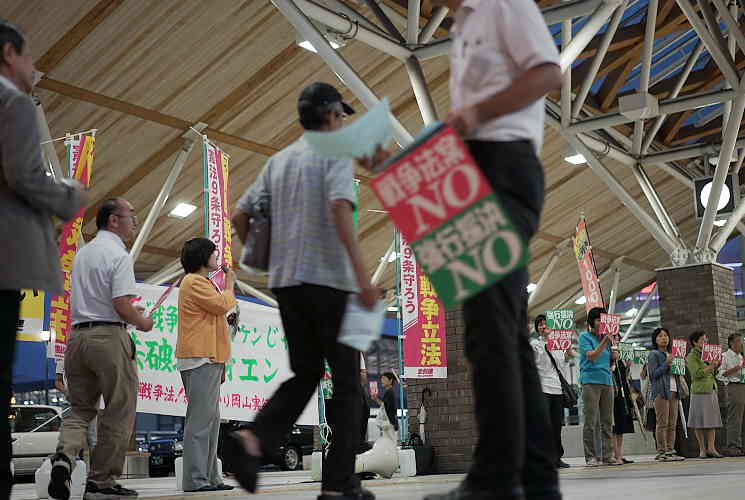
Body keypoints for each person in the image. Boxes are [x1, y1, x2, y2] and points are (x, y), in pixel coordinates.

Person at [389, 2, 560, 499]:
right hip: (474, 170)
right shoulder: (462, 23)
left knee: (489, 334)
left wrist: (475, 115)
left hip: (503, 168)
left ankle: (494, 481)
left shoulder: (502, 4)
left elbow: (548, 71)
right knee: (505, 336)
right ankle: (536, 480)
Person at [228, 82, 378, 500]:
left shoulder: (279, 160)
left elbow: (240, 215)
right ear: (330, 116)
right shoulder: (333, 151)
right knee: (349, 385)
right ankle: (338, 486)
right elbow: (340, 209)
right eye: (342, 115)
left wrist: (267, 257)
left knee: (307, 373)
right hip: (330, 282)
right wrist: (363, 279)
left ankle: (254, 440)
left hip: (287, 284)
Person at [0, 19, 87, 500]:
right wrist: (70, 195)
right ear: (9, 53)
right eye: (30, 56)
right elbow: (26, 176)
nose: (34, 67)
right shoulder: (11, 101)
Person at [49, 198, 154, 500]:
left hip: (78, 339)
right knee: (118, 411)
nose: (135, 220)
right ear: (113, 221)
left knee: (81, 409)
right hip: (109, 339)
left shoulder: (84, 253)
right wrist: (143, 322)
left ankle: (63, 459)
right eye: (131, 215)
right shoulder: (118, 255)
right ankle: (102, 482)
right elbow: (122, 305)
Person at [176, 238, 237, 492]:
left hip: (210, 358)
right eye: (213, 252)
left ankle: (211, 477)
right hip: (199, 357)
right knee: (201, 422)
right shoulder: (193, 282)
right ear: (202, 256)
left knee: (211, 422)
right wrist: (231, 284)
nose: (216, 256)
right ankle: (196, 479)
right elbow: (222, 305)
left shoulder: (204, 282)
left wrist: (221, 364)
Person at [579, 307, 620, 466]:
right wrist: (606, 341)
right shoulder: (584, 337)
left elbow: (610, 361)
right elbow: (593, 356)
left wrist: (615, 354)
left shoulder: (608, 339)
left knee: (607, 421)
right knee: (591, 421)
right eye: (598, 319)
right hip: (590, 381)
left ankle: (608, 455)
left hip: (607, 381)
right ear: (591, 322)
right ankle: (591, 456)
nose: (601, 322)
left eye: (603, 319)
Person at [530, 315, 570, 469]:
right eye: (540, 325)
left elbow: (564, 363)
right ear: (537, 328)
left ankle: (557, 458)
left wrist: (567, 349)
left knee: (556, 425)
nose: (544, 327)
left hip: (557, 389)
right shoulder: (535, 344)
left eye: (546, 324)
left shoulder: (558, 344)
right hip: (542, 388)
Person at [647, 328, 685, 461]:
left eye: (666, 336)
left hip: (674, 391)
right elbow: (653, 375)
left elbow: (677, 373)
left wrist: (679, 366)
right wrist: (667, 363)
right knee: (662, 423)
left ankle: (670, 450)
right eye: (660, 336)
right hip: (661, 391)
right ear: (655, 340)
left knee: (672, 423)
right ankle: (662, 451)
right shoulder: (654, 354)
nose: (664, 338)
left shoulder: (673, 354)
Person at [686, 331, 723, 459]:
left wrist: (717, 365)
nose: (705, 342)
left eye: (706, 339)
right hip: (699, 391)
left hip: (711, 388)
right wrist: (711, 366)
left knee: (711, 421)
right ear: (695, 342)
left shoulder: (708, 354)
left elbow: (713, 372)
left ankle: (711, 448)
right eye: (702, 340)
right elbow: (696, 374)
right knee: (699, 421)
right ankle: (702, 449)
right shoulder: (691, 356)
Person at [717, 333, 745, 456]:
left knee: (741, 417)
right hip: (734, 386)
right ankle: (733, 446)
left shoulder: (741, 356)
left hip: (743, 384)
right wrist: (737, 368)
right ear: (731, 343)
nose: (741, 344)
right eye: (739, 341)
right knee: (735, 418)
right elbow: (720, 374)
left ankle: (740, 445)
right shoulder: (725, 356)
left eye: (742, 341)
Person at [611, 359, 636, 464]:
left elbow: (625, 377)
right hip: (613, 392)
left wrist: (627, 366)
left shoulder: (621, 360)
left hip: (623, 393)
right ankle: (615, 454)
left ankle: (619, 454)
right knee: (614, 426)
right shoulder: (609, 357)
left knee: (621, 426)